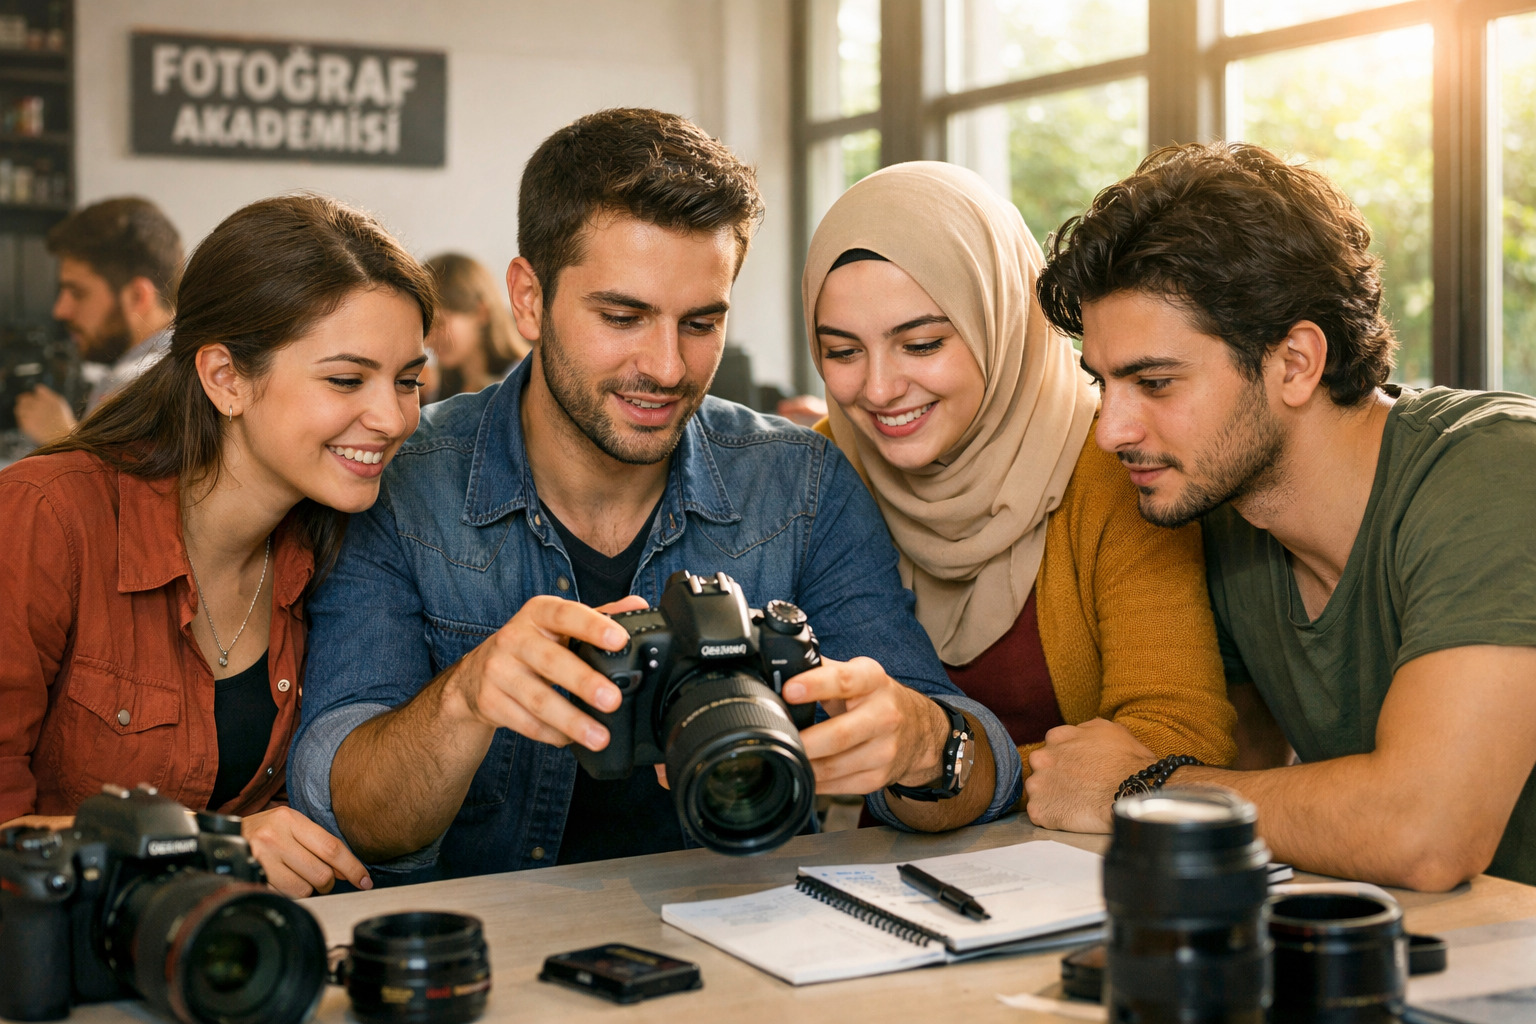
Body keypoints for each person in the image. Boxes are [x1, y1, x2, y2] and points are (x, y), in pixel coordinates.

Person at [287, 108, 1023, 881]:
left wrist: (924, 744)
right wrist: (466, 698)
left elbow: (978, 770)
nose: (668, 368)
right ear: (529, 299)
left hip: (756, 939)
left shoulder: (801, 485)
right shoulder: (403, 482)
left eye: (701, 322)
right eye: (623, 316)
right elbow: (355, 818)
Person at [1024, 141, 1536, 892]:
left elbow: (1425, 832)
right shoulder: (1226, 521)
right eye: (1103, 382)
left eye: (1156, 382)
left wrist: (1137, 791)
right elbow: (1245, 781)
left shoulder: (1497, 471)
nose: (1111, 431)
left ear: (1295, 362)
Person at [0, 193, 434, 898]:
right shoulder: (43, 518)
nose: (392, 417)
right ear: (225, 378)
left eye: (409, 380)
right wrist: (208, 849)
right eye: (346, 379)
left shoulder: (335, 543)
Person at [801, 162, 1236, 814]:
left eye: (920, 344)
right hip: (879, 884)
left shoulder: (1118, 461)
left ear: (999, 321)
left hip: (1079, 880)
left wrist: (949, 765)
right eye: (841, 352)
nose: (879, 389)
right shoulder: (822, 467)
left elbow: (1178, 741)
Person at [14, 197, 183, 446]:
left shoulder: (141, 385)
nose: (60, 311)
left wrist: (61, 437)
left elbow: (117, 484)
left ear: (138, 296)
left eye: (78, 293)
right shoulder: (173, 364)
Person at [423, 252, 530, 401]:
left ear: (482, 312)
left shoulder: (524, 381)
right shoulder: (440, 391)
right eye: (426, 326)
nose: (430, 338)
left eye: (440, 323)